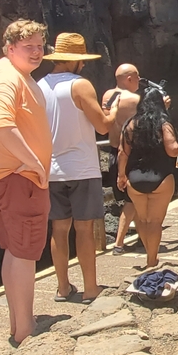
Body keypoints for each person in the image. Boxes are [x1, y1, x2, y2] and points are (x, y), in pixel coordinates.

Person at [0, 19, 52, 345]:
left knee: (13, 251)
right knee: (25, 254)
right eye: (28, 46)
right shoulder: (7, 77)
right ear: (10, 48)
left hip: (3, 175)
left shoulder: (5, 73)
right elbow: (1, 123)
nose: (36, 52)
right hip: (19, 179)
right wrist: (33, 163)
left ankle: (18, 323)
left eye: (40, 46)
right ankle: (25, 331)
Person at [39, 33, 117, 304]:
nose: (83, 66)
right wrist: (114, 109)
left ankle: (62, 287)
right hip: (82, 168)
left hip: (51, 170)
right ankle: (90, 288)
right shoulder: (80, 85)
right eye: (81, 60)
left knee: (58, 230)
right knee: (84, 230)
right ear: (73, 61)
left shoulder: (39, 86)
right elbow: (103, 125)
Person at [117, 87, 178, 269]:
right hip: (160, 177)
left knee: (143, 221)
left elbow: (123, 152)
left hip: (135, 178)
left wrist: (121, 175)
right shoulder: (164, 122)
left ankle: (149, 257)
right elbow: (172, 149)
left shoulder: (131, 124)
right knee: (155, 222)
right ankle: (152, 260)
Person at [101, 64, 141, 255]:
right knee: (132, 199)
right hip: (130, 153)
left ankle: (142, 237)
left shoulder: (107, 96)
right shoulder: (135, 100)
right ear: (129, 79)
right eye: (137, 77)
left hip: (112, 150)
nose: (140, 81)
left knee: (131, 197)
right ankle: (119, 243)